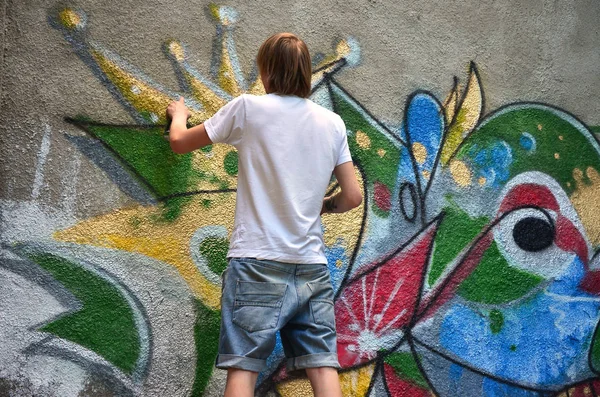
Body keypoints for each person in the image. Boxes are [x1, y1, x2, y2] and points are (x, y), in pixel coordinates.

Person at [166, 32, 362, 397]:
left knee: (243, 369)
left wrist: (179, 115)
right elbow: (352, 196)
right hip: (311, 265)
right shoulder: (332, 123)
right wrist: (322, 206)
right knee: (322, 368)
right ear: (305, 73)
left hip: (256, 262)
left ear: (266, 70)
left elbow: (180, 143)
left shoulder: (247, 109)